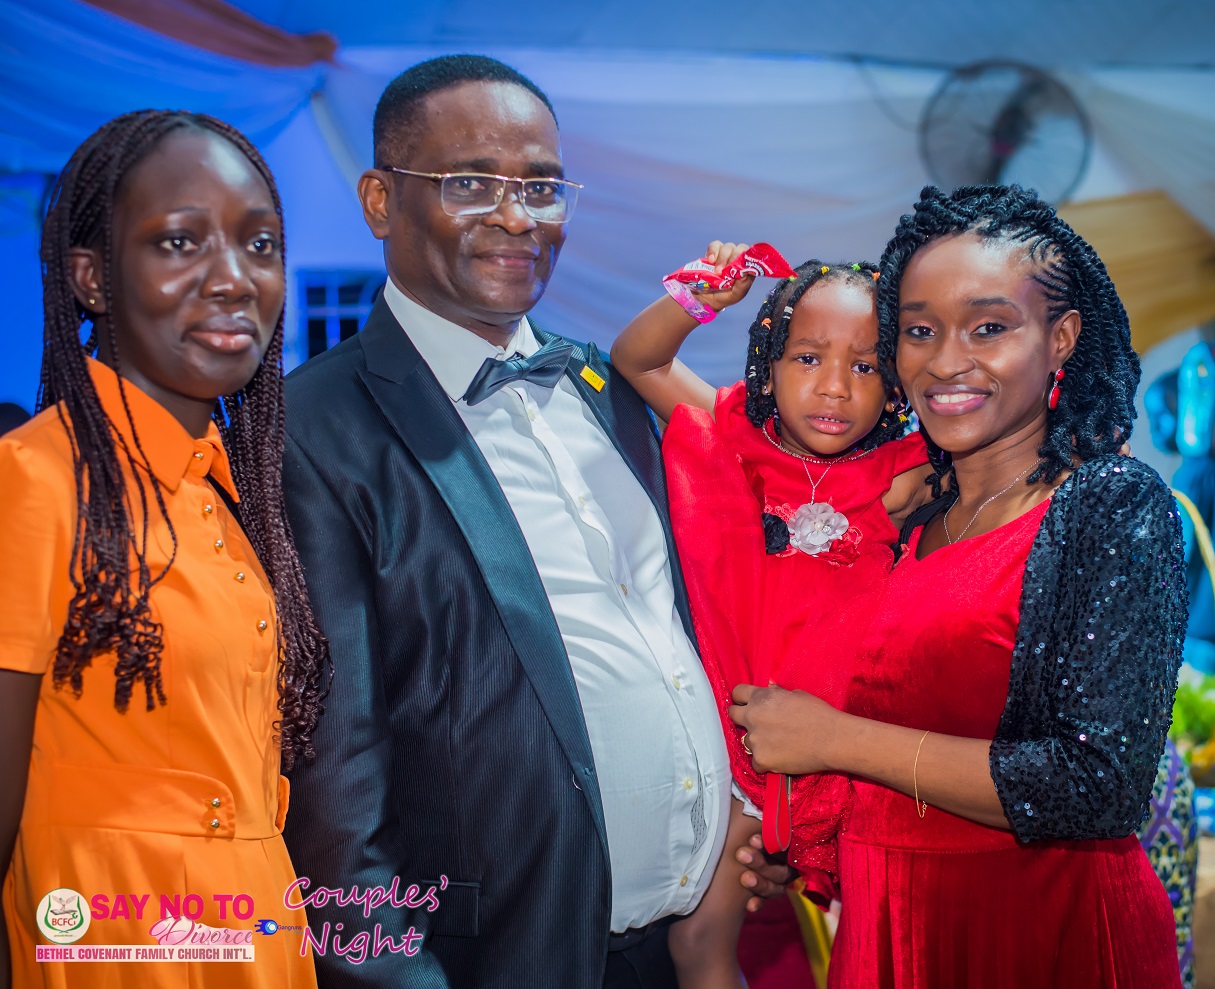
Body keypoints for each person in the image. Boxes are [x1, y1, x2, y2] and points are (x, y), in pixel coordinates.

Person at [278, 55, 785, 989]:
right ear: (381, 201)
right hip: (492, 959)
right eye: (471, 183)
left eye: (542, 187)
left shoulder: (607, 387)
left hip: (679, 952)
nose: (519, 217)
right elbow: (330, 782)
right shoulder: (310, 429)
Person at [729, 184, 1186, 988]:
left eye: (988, 327)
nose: (944, 361)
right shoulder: (904, 518)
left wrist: (830, 739)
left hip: (1033, 931)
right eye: (918, 331)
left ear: (1060, 338)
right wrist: (806, 838)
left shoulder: (1106, 504)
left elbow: (1096, 785)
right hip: (885, 924)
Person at [0, 110, 328, 989]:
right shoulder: (33, 480)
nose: (233, 279)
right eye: (180, 242)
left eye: (260, 246)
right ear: (92, 278)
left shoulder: (224, 494)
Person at [611, 246, 932, 988]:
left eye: (864, 366)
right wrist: (701, 297)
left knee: (887, 949)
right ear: (767, 364)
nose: (833, 386)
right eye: (808, 357)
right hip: (735, 749)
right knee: (699, 943)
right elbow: (638, 359)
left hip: (856, 760)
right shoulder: (731, 437)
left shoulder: (906, 474)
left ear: (895, 384)